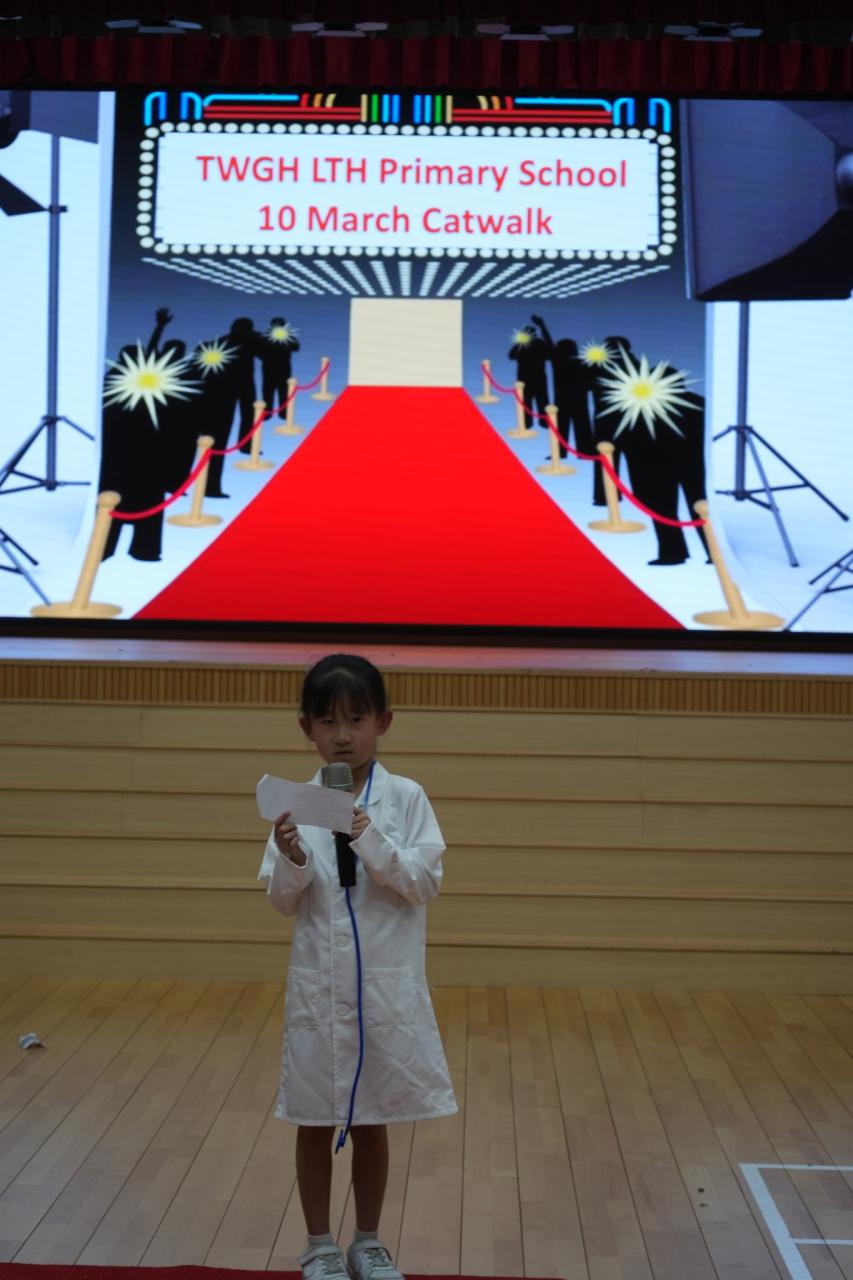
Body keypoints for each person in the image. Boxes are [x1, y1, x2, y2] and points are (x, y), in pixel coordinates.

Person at [258, 654, 457, 1280]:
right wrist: (292, 858)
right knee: (313, 1120)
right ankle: (319, 1245)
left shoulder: (406, 798)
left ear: (383, 722)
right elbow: (282, 901)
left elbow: (423, 882)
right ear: (306, 729)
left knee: (374, 1121)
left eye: (356, 719)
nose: (342, 735)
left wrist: (367, 835)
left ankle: (368, 1243)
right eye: (327, 722)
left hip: (382, 992)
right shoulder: (295, 805)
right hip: (320, 990)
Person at [531, 316, 595, 460]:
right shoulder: (581, 362)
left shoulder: (559, 361)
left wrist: (542, 326)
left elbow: (550, 345)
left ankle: (563, 452)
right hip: (578, 399)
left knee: (565, 426)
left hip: (564, 399)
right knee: (580, 426)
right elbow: (591, 380)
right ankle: (584, 452)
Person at [509, 319, 549, 433]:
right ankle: (535, 422)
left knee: (536, 400)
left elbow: (511, 355)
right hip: (534, 378)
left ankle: (533, 422)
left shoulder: (536, 344)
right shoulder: (535, 344)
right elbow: (511, 355)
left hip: (530, 378)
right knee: (536, 400)